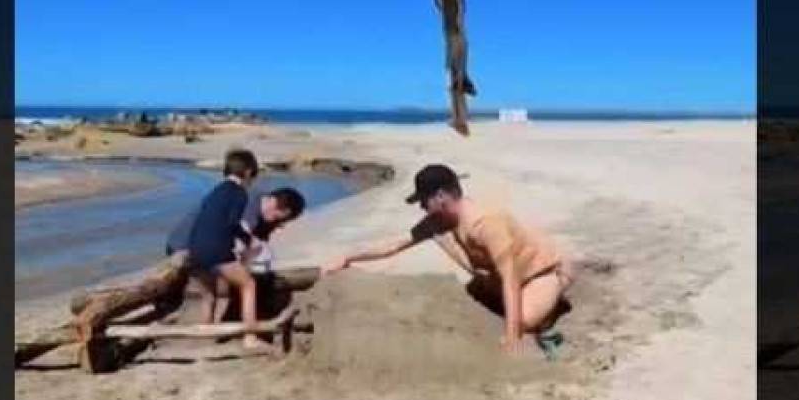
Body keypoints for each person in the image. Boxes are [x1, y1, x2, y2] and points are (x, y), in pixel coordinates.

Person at [322, 163, 572, 355]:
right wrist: (347, 257)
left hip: (540, 275)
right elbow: (393, 245)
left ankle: (553, 300)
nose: (421, 207)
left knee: (523, 321)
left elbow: (511, 277)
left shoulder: (484, 223)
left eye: (423, 201)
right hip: (500, 278)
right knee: (472, 284)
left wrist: (512, 337)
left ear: (441, 196)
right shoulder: (440, 221)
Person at [175, 149, 275, 351]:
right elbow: (231, 224)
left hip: (195, 249)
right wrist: (246, 244)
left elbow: (209, 220)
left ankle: (206, 331)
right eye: (253, 177)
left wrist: (244, 240)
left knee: (209, 294)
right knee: (248, 285)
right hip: (215, 250)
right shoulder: (239, 193)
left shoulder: (216, 190)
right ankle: (250, 337)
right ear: (248, 173)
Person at [164, 185, 307, 275]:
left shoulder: (259, 204)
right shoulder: (248, 205)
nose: (279, 224)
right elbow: (239, 245)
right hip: (182, 247)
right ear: (274, 202)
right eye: (279, 218)